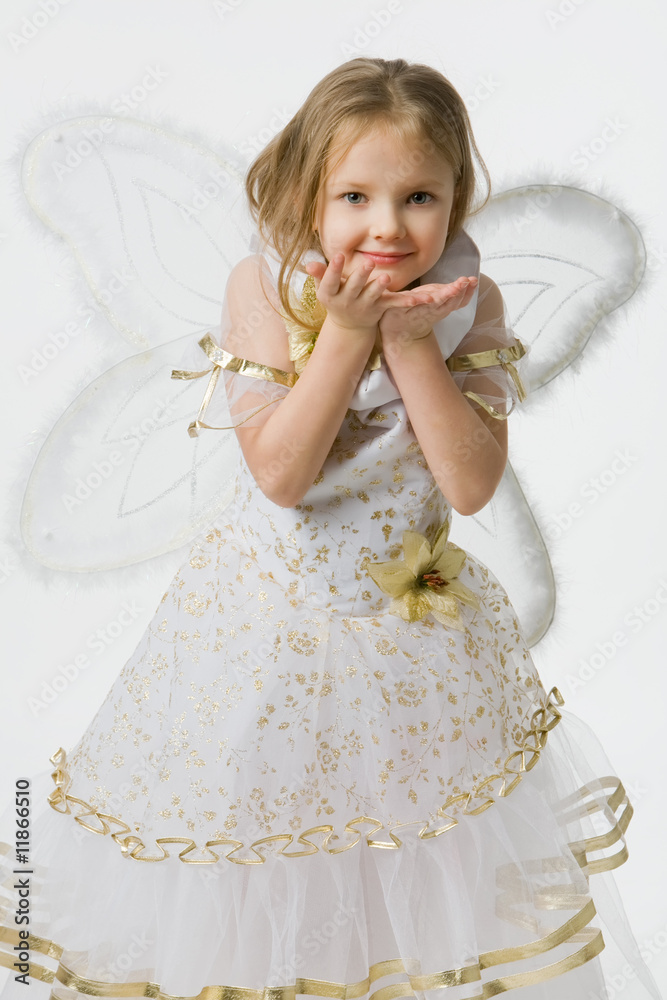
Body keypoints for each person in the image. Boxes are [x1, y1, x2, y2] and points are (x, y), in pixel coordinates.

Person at [0, 57, 661, 1000]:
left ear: (456, 200)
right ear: (309, 195)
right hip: (267, 634)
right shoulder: (264, 290)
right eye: (354, 196)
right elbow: (280, 474)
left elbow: (470, 483)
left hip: (412, 649)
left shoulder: (469, 303)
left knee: (418, 855)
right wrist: (348, 337)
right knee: (265, 844)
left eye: (419, 197)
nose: (387, 226)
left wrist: (410, 343)